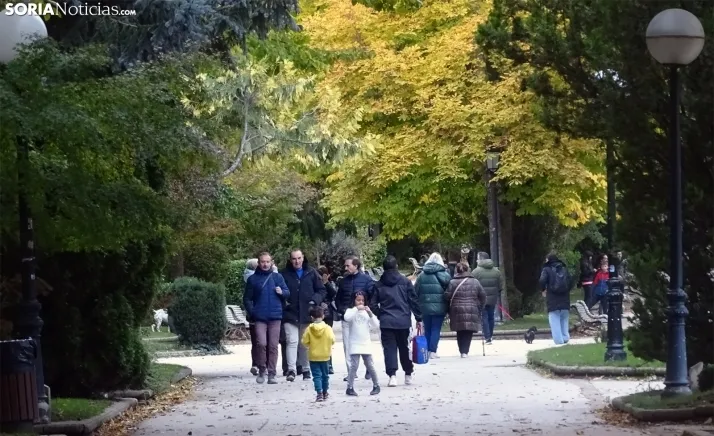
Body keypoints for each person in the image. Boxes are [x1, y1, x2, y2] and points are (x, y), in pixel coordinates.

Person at [370, 255, 422, 387]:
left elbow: (373, 304)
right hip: (403, 320)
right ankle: (408, 373)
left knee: (389, 349)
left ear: (383, 268)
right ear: (396, 266)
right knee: (404, 347)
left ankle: (392, 375)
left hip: (386, 321)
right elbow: (413, 300)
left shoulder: (379, 284)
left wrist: (381, 314)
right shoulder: (405, 282)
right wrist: (419, 318)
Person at [244, 252, 290, 384]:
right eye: (263, 262)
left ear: (271, 263)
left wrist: (282, 292)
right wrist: (253, 312)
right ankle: (261, 369)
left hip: (275, 316)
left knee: (273, 345)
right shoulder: (252, 279)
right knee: (261, 344)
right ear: (259, 263)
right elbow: (247, 299)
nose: (265, 264)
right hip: (260, 317)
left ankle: (272, 373)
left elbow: (287, 292)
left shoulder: (277, 277)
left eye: (267, 262)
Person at [280, 249, 326, 382]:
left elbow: (321, 290)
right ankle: (291, 370)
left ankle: (306, 369)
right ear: (290, 260)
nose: (297, 261)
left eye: (299, 258)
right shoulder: (284, 274)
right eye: (294, 259)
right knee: (292, 341)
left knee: (304, 343)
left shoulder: (311, 272)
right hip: (290, 313)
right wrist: (284, 302)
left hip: (307, 313)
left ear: (303, 258)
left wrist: (314, 301)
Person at [335, 255, 374, 381]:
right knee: (347, 345)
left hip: (362, 317)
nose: (346, 268)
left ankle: (369, 368)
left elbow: (372, 296)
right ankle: (351, 372)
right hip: (347, 315)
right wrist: (342, 310)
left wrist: (368, 310)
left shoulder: (366, 280)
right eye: (345, 265)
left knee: (364, 343)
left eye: (348, 265)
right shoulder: (343, 281)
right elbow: (338, 298)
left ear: (356, 265)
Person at [445, 262, 486, 357]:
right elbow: (483, 295)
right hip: (472, 308)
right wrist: (480, 307)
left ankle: (462, 350)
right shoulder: (475, 281)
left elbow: (447, 296)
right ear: (468, 269)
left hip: (456, 309)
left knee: (459, 330)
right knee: (468, 331)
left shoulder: (452, 282)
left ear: (456, 270)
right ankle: (465, 351)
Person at [343, 291, 381, 396]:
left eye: (362, 300)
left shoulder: (366, 313)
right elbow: (347, 318)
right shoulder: (351, 311)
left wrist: (370, 313)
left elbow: (376, 325)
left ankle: (376, 385)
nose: (361, 302)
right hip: (354, 342)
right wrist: (356, 309)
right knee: (354, 366)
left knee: (369, 364)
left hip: (365, 342)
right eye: (358, 300)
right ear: (354, 301)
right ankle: (350, 387)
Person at [414, 252, 450, 359]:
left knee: (428, 329)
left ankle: (427, 350)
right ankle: (433, 351)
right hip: (440, 307)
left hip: (424, 307)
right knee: (436, 329)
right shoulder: (445, 275)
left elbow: (415, 292)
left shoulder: (421, 275)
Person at [301, 306, 335, 402]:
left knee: (316, 376)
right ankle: (325, 392)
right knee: (325, 375)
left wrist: (310, 345)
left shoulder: (309, 329)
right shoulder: (328, 328)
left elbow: (304, 341)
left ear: (312, 317)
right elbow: (332, 340)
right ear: (323, 316)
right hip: (325, 355)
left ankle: (319, 393)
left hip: (313, 356)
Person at [539, 252, 572, 345]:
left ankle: (559, 341)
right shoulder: (564, 268)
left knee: (554, 319)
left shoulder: (547, 269)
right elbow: (571, 280)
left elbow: (542, 280)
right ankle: (565, 337)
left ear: (548, 260)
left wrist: (543, 289)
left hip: (553, 298)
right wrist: (567, 290)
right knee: (564, 319)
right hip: (565, 298)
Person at [471, 252, 505, 345]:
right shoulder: (496, 271)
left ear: (481, 259)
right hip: (493, 298)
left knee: (484, 317)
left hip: (481, 299)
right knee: (491, 317)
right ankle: (490, 335)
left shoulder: (475, 272)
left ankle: (487, 337)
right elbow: (500, 286)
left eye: (478, 258)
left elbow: (472, 286)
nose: (476, 260)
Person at [318, 265, 338, 374]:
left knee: (327, 339)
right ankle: (320, 363)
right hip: (317, 313)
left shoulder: (330, 284)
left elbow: (334, 293)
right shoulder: (315, 284)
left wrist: (326, 283)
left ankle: (329, 364)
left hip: (328, 314)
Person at [243, 258, 260, 376]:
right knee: (263, 341)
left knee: (255, 341)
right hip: (258, 313)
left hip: (252, 314)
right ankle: (262, 364)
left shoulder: (246, 277)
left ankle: (255, 364)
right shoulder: (254, 279)